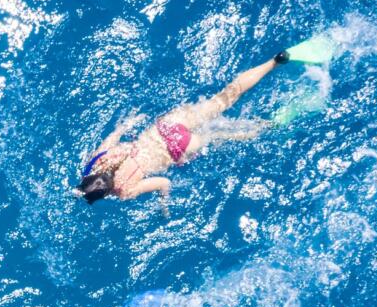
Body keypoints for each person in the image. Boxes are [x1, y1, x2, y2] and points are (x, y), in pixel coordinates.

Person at [77, 46, 303, 203]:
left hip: (179, 146)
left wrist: (163, 204)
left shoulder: (124, 191)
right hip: (165, 127)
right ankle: (276, 60)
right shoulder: (99, 158)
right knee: (223, 98)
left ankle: (269, 125)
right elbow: (117, 132)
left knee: (227, 135)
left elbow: (164, 182)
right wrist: (131, 123)